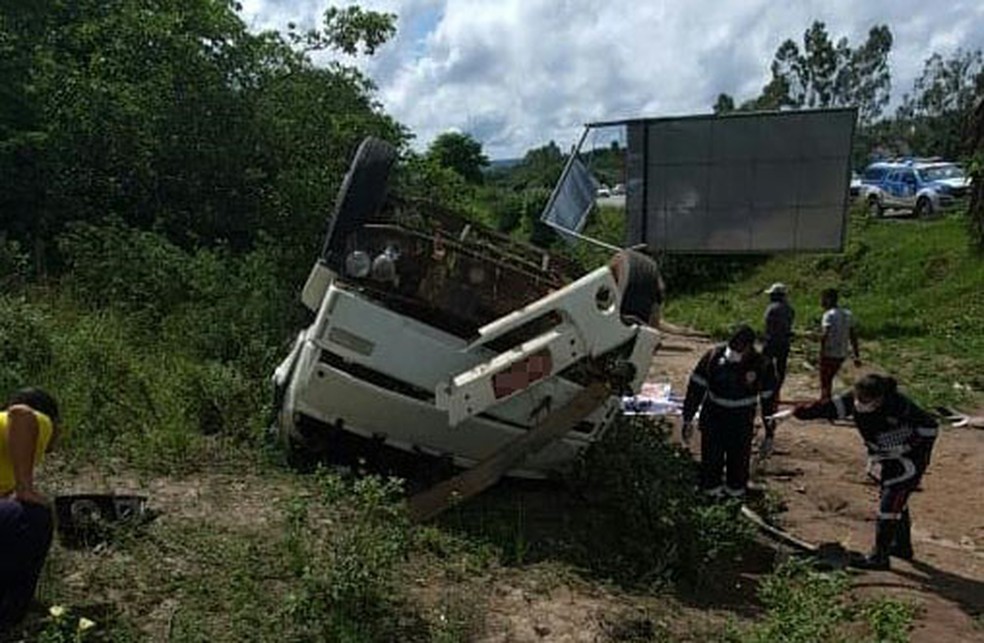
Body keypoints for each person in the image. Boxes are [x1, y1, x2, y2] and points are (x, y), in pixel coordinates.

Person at [793, 374, 937, 570]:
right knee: (896, 502)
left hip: (909, 461)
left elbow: (929, 427)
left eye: (865, 400)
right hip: (885, 457)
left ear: (879, 398)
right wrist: (806, 412)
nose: (860, 403)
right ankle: (901, 546)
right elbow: (833, 408)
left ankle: (880, 557)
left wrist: (908, 445)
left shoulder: (899, 406)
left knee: (890, 503)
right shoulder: (854, 399)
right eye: (858, 398)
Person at [681, 325, 777, 499]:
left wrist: (770, 433)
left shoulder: (762, 365)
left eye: (739, 349)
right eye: (732, 348)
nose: (734, 352)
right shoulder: (713, 357)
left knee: (738, 465)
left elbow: (769, 402)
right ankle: (711, 498)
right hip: (713, 419)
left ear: (750, 347)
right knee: (711, 462)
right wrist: (688, 418)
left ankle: (734, 501)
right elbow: (695, 389)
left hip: (741, 423)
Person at [0, 387, 60, 629]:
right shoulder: (40, 422)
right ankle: (7, 620)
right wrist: (25, 487)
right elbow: (21, 413)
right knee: (34, 516)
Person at [818, 288, 860, 400]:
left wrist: (821, 352)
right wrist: (856, 355)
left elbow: (825, 335)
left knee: (825, 380)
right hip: (842, 353)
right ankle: (827, 399)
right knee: (830, 378)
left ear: (828, 299)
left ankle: (825, 401)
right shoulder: (848, 314)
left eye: (822, 299)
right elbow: (853, 336)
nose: (821, 302)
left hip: (829, 352)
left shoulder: (828, 315)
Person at [762, 282, 795, 403]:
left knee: (765, 367)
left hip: (771, 342)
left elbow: (768, 327)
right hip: (784, 342)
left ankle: (766, 391)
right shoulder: (790, 309)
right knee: (781, 368)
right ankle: (777, 392)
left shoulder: (772, 308)